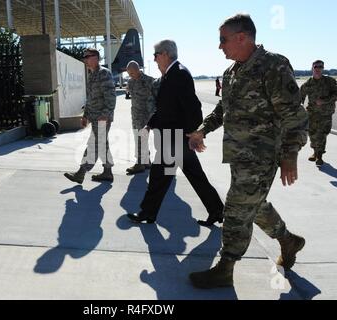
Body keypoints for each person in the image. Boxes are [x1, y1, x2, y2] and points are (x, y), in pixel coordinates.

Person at [187, 14, 308, 289]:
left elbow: (295, 116)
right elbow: (223, 110)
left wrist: (290, 155)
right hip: (239, 157)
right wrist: (202, 130)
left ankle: (225, 267)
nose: (220, 47)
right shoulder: (231, 73)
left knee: (236, 210)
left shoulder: (273, 66)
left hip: (262, 157)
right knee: (254, 206)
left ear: (242, 37)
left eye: (223, 40)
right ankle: (289, 241)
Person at [127, 40, 225, 227]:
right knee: (186, 176)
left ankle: (148, 213)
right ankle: (216, 210)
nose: (154, 59)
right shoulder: (170, 74)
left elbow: (194, 109)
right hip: (174, 138)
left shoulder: (179, 74)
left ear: (165, 54)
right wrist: (150, 124)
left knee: (160, 177)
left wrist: (192, 135)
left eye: (155, 55)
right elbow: (165, 108)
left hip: (176, 138)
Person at [64, 48, 116, 184]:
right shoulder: (92, 75)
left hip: (102, 117)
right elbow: (90, 98)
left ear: (96, 58)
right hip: (95, 117)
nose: (85, 60)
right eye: (84, 57)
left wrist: (105, 114)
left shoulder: (104, 73)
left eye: (88, 57)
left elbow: (111, 97)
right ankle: (108, 172)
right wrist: (86, 115)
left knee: (94, 144)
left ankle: (81, 173)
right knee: (102, 144)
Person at [300, 60, 337, 166]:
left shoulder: (329, 81)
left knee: (322, 134)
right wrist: (300, 108)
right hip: (312, 114)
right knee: (312, 134)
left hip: (326, 113)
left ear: (322, 68)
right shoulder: (308, 84)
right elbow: (299, 97)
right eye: (316, 67)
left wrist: (325, 101)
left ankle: (319, 156)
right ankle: (315, 152)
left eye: (320, 67)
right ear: (312, 68)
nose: (318, 69)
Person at [126, 60, 156, 175]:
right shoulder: (130, 82)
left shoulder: (150, 81)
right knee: (138, 137)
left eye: (132, 73)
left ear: (138, 69)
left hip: (147, 115)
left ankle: (139, 163)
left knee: (140, 138)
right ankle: (146, 161)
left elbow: (157, 96)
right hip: (135, 114)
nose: (130, 75)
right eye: (129, 73)